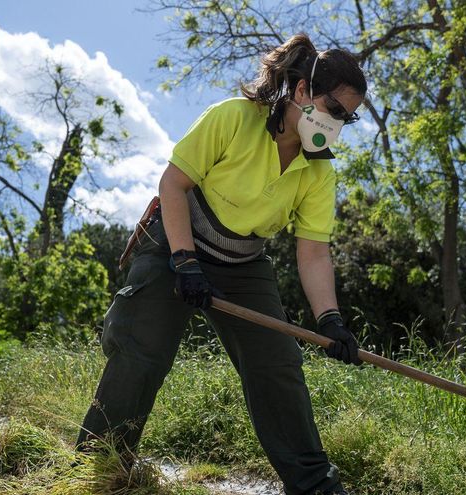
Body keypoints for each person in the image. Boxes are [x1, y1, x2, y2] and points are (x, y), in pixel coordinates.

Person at [76, 33, 367, 495]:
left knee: (278, 365)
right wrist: (185, 261)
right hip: (175, 241)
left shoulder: (319, 171)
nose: (339, 122)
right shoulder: (233, 117)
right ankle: (97, 468)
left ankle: (314, 485)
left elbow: (312, 251)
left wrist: (330, 321)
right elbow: (172, 185)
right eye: (334, 108)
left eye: (347, 117)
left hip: (243, 262)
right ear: (301, 92)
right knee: (142, 349)